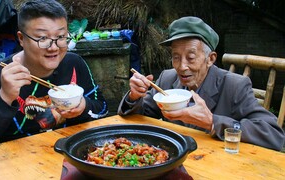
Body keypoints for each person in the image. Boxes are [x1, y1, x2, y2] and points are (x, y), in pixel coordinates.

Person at [118, 16, 285, 151]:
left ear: (210, 59)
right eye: (176, 57)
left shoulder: (234, 86)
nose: (182, 66)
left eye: (191, 58)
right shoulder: (168, 79)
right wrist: (134, 96)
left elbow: (273, 134)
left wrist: (213, 122)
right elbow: (141, 115)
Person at [0, 0, 108, 151]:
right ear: (21, 39)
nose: (53, 47)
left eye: (60, 37)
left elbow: (103, 109)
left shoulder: (74, 64)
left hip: (68, 158)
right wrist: (4, 98)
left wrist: (84, 107)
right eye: (42, 38)